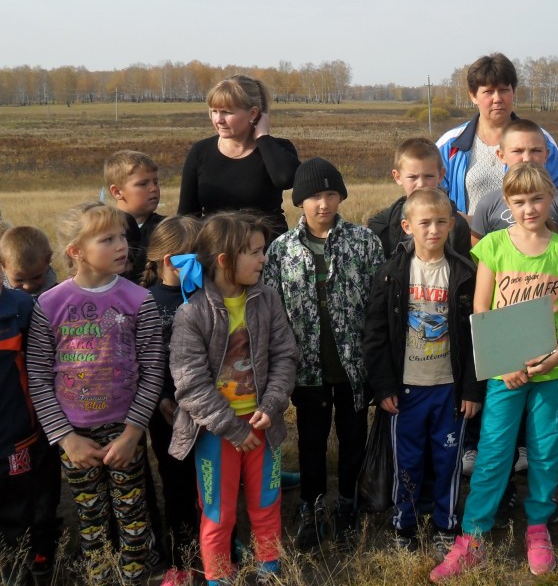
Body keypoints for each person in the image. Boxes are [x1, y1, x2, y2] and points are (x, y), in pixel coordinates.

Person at [431, 163, 558, 581]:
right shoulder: (495, 246)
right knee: (494, 451)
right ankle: (473, 537)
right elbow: (481, 307)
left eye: (537, 199)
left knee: (545, 450)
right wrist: (505, 361)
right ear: (506, 203)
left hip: (552, 371)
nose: (529, 208)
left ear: (551, 198)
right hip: (506, 373)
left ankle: (538, 528)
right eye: (519, 201)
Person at [26, 202, 164, 584]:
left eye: (122, 236)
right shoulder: (49, 305)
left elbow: (153, 369)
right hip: (74, 435)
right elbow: (38, 375)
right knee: (90, 517)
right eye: (107, 239)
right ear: (76, 251)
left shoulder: (140, 300)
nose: (122, 245)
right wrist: (66, 438)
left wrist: (133, 434)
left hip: (125, 430)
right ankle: (99, 574)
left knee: (133, 512)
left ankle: (138, 573)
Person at [168, 213, 298, 586]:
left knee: (267, 503)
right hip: (216, 433)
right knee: (218, 513)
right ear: (225, 259)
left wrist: (271, 406)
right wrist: (232, 429)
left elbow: (285, 355)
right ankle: (219, 578)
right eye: (254, 252)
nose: (263, 259)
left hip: (263, 427)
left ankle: (270, 571)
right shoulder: (192, 313)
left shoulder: (267, 299)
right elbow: (190, 384)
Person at [262, 158, 384, 551]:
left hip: (353, 368)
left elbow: (378, 306)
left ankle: (348, 503)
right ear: (300, 200)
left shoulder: (364, 243)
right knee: (311, 442)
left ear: (341, 197)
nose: (323, 203)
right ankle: (311, 507)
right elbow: (272, 312)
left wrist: (375, 363)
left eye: (331, 194)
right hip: (306, 371)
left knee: (353, 438)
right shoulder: (281, 251)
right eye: (315, 195)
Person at [363, 187, 483, 554]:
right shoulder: (392, 273)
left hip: (449, 390)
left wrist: (471, 389)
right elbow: (375, 333)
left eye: (441, 222)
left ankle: (446, 525)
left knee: (448, 462)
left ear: (452, 224)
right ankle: (405, 526)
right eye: (425, 223)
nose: (433, 229)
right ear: (407, 226)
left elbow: (477, 335)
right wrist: (384, 387)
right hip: (406, 391)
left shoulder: (464, 272)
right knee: (408, 462)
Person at [139, 216, 203, 586]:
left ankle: (221, 547)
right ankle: (181, 559)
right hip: (166, 414)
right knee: (176, 485)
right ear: (169, 261)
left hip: (208, 409)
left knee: (211, 483)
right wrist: (162, 398)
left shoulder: (206, 296)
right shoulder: (146, 301)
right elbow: (146, 358)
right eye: (195, 257)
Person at [437, 53, 558, 222]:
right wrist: (467, 224)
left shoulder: (540, 140)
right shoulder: (450, 144)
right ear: (473, 96)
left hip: (529, 238)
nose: (497, 99)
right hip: (468, 238)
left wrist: (529, 225)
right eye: (488, 92)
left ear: (513, 92)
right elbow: (431, 199)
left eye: (503, 90)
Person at [178, 75, 300, 241]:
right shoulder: (200, 152)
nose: (218, 120)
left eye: (226, 112)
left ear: (253, 113)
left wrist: (262, 137)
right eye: (214, 111)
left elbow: (285, 179)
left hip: (266, 251)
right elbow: (186, 217)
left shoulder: (276, 149)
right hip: (216, 251)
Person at [0, 256, 59, 586]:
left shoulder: (22, 307)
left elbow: (43, 366)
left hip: (19, 436)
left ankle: (38, 561)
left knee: (24, 509)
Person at [471, 120, 558, 244]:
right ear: (501, 156)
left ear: (546, 155)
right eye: (517, 151)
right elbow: (478, 252)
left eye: (535, 150)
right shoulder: (488, 204)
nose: (527, 158)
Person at [368, 137, 471, 257]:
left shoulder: (457, 225)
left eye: (428, 176)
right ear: (398, 177)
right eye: (412, 177)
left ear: (441, 175)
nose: (421, 184)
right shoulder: (382, 226)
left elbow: (462, 266)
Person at [105, 150, 165, 284]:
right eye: (143, 184)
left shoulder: (166, 228)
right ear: (117, 192)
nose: (153, 188)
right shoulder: (101, 229)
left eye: (156, 182)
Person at [1, 227, 58, 295]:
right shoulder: (2, 296)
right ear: (2, 266)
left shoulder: (57, 293)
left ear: (48, 260)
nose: (28, 286)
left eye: (36, 277)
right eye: (19, 280)